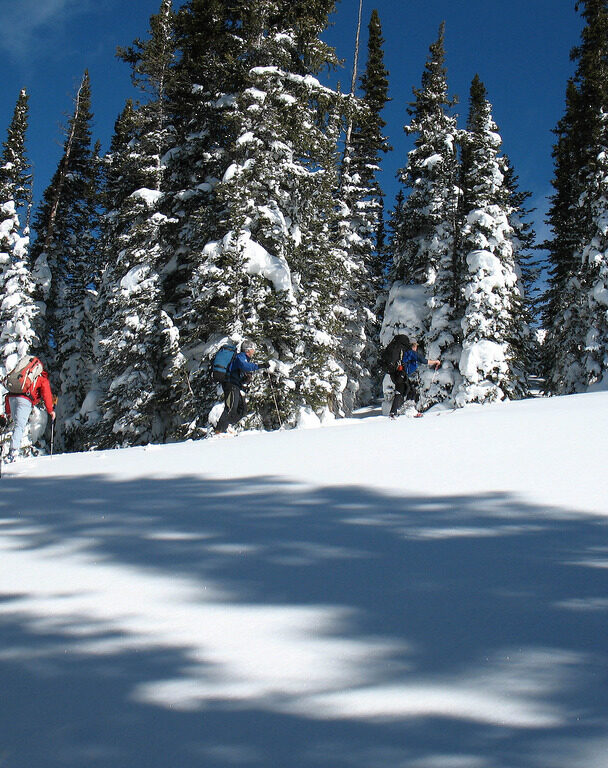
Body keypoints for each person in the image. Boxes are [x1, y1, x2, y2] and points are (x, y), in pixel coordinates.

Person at [215, 339, 270, 434]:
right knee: (231, 407)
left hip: (235, 385)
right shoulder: (240, 357)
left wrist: (244, 382)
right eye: (253, 349)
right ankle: (219, 431)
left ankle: (227, 426)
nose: (254, 351)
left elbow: (239, 372)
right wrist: (260, 366)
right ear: (247, 350)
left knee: (242, 409)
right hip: (230, 384)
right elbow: (245, 366)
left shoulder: (244, 359)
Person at [3, 362, 56, 461]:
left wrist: (8, 411)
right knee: (19, 426)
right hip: (24, 400)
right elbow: (47, 395)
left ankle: (13, 449)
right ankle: (13, 452)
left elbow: (10, 392)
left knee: (16, 425)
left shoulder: (21, 375)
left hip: (12, 397)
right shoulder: (41, 378)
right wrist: (50, 410)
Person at [389, 340, 440, 419]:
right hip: (401, 375)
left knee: (407, 391)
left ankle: (398, 412)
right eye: (416, 346)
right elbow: (423, 360)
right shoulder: (411, 353)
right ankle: (401, 412)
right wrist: (435, 362)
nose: (416, 348)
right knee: (408, 392)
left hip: (398, 375)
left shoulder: (405, 353)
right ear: (414, 346)